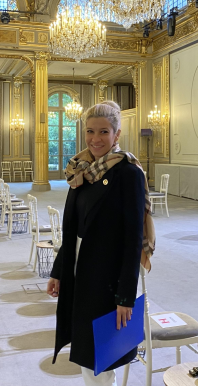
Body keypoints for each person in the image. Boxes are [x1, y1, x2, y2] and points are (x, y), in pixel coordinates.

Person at [47, 101, 155, 386]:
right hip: (79, 268)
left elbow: (133, 239)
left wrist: (124, 297)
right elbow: (70, 227)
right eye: (90, 131)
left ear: (117, 135)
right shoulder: (81, 170)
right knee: (86, 346)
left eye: (104, 132)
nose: (95, 139)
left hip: (108, 274)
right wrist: (59, 270)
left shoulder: (128, 174)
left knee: (102, 352)